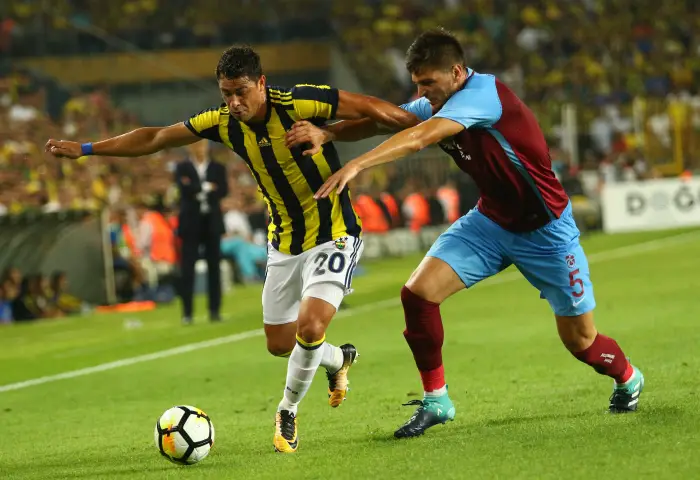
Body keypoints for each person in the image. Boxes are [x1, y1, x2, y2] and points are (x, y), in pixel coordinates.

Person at [45, 44, 419, 453]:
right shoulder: (221, 122)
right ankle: (337, 360)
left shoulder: (299, 102)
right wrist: (87, 149)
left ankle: (287, 411)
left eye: (242, 91)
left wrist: (421, 121)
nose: (235, 102)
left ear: (261, 83)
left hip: (334, 233)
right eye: (226, 94)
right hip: (284, 243)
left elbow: (370, 109)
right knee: (280, 343)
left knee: (310, 327)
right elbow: (155, 137)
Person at [292, 28, 645, 439]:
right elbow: (385, 121)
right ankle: (437, 400)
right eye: (418, 84)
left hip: (546, 231)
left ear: (457, 72)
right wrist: (329, 132)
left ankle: (628, 376)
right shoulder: (437, 101)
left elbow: (420, 136)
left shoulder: (484, 94)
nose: (423, 92)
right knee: (418, 294)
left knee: (582, 342)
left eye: (428, 82)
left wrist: (356, 166)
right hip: (489, 223)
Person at [175, 141, 228, 323]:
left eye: (202, 145)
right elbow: (183, 190)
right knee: (187, 268)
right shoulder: (182, 167)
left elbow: (223, 190)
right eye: (196, 145)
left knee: (214, 267)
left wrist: (196, 189)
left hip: (211, 222)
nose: (199, 148)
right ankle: (187, 313)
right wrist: (206, 187)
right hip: (190, 223)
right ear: (189, 147)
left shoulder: (217, 167)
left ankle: (214, 310)